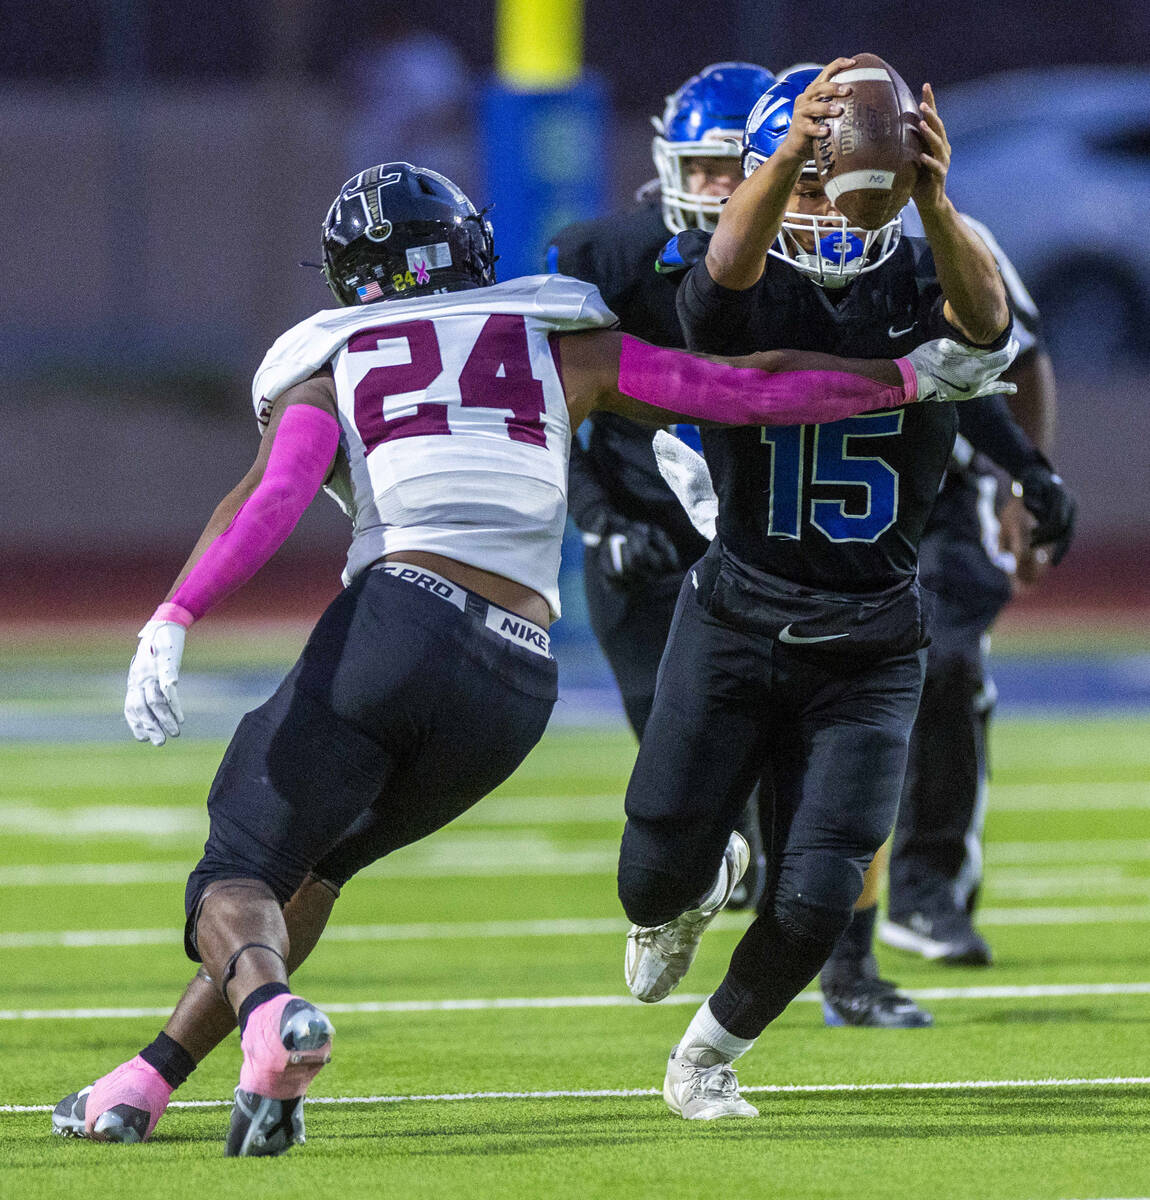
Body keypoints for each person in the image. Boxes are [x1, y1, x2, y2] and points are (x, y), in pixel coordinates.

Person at [49, 161, 1010, 1155]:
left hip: (400, 622)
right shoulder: (562, 343)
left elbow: (274, 492)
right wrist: (907, 377)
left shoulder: (331, 356)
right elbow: (740, 390)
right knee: (311, 869)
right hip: (514, 683)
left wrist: (176, 610)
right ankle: (149, 1080)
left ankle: (270, 1021)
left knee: (234, 875)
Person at [613, 60, 1070, 1120]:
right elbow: (722, 298)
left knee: (819, 890)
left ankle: (708, 1055)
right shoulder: (739, 282)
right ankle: (678, 900)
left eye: (839, 184)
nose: (824, 208)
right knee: (651, 873)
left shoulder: (922, 273)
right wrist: (783, 161)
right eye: (805, 186)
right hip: (734, 615)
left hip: (869, 637)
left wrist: (934, 196)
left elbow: (992, 328)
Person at [547, 61, 775, 908]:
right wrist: (600, 521)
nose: (714, 188)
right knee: (666, 728)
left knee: (785, 730)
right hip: (642, 524)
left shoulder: (811, 266)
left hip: (764, 523)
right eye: (700, 168)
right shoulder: (603, 257)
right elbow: (546, 413)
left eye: (732, 168)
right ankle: (724, 854)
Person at [877, 207, 1073, 966]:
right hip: (787, 502)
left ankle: (927, 892)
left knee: (949, 664)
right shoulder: (753, 241)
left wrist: (1028, 482)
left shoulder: (952, 241)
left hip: (935, 498)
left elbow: (1019, 359)